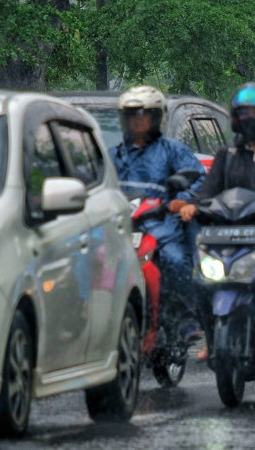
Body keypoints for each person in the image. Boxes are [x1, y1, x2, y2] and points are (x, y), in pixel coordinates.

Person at [179, 82, 255, 359]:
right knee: (201, 277)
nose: (251, 120)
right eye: (244, 114)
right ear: (235, 119)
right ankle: (212, 337)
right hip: (226, 232)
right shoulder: (227, 155)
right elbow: (208, 189)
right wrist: (192, 205)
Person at [110, 85, 206, 346]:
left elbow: (198, 178)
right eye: (132, 115)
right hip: (120, 227)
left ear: (157, 117)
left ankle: (186, 320)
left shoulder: (173, 151)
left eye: (144, 114)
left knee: (175, 259)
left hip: (162, 226)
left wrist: (182, 201)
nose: (138, 120)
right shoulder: (114, 156)